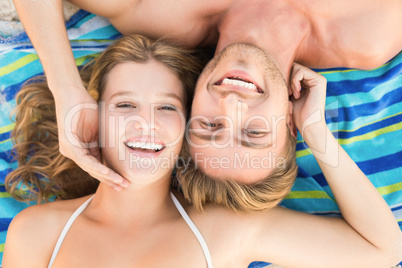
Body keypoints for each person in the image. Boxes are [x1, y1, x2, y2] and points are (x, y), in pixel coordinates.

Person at [3, 34, 402, 267]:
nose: (146, 123)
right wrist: (65, 87)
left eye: (167, 108)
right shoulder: (39, 233)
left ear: (190, 133)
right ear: (94, 118)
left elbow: (382, 250)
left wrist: (315, 134)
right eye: (125, 105)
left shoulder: (226, 231)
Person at [11, 0, 402, 189]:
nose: (232, 105)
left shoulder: (160, 11)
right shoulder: (368, 36)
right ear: (290, 120)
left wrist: (66, 88)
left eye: (209, 125)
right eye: (254, 132)